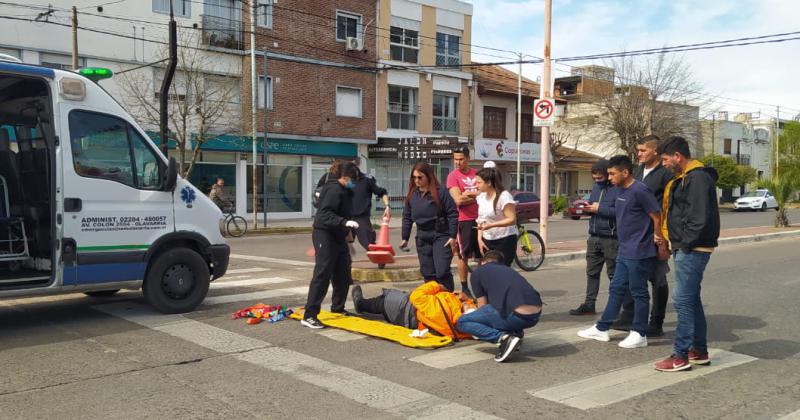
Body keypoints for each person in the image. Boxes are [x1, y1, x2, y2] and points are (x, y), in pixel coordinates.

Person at [578, 155, 663, 349]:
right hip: (624, 248)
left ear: (625, 172)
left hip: (639, 250)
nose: (609, 178)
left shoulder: (640, 190)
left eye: (612, 173)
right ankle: (602, 328)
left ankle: (639, 333)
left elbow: (656, 215)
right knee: (616, 288)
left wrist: (658, 237)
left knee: (639, 292)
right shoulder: (619, 190)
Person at [653, 136, 720, 372]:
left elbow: (699, 218)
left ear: (677, 157)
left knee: (682, 301)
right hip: (689, 246)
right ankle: (698, 351)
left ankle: (679, 356)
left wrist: (684, 244)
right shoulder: (686, 178)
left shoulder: (697, 179)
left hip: (693, 248)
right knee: (691, 300)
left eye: (664, 159)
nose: (663, 164)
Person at [615, 135, 675, 336]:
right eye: (638, 150)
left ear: (655, 151)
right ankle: (629, 317)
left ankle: (656, 322)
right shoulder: (638, 171)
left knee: (658, 278)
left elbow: (667, 207)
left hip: (655, 236)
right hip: (635, 237)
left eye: (642, 150)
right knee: (633, 278)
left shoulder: (666, 174)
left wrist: (663, 237)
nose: (638, 154)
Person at [302, 161, 361, 329]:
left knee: (342, 272)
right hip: (324, 234)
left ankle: (338, 308)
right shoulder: (333, 189)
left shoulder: (346, 190)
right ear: (344, 177)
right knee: (323, 272)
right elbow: (324, 215)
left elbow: (347, 213)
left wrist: (349, 234)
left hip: (338, 235)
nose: (354, 183)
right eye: (352, 179)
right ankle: (310, 315)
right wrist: (344, 222)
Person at [456, 250, 542, 362]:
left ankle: (503, 339)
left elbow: (483, 306)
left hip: (516, 315)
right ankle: (516, 333)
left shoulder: (478, 273)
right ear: (501, 262)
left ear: (482, 262)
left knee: (462, 322)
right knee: (500, 306)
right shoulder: (508, 270)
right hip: (534, 316)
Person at [569, 159, 621, 316]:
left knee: (613, 275)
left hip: (611, 238)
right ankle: (589, 304)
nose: (597, 181)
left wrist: (600, 208)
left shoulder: (618, 189)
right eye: (594, 178)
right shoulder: (596, 188)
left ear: (608, 175)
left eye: (600, 178)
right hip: (594, 236)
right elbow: (593, 206)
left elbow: (620, 211)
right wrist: (588, 209)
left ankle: (616, 307)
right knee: (592, 272)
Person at [400, 162, 459, 292]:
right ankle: (433, 300)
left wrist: (453, 236)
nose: (417, 181)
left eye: (420, 177)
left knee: (442, 271)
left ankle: (448, 296)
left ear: (428, 176)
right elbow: (407, 217)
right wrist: (405, 237)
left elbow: (452, 213)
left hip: (441, 235)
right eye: (414, 177)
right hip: (422, 236)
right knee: (428, 272)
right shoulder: (412, 195)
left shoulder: (440, 192)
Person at [351, 281, 476, 339]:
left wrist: (437, 286)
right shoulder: (464, 326)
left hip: (407, 310)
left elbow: (416, 296)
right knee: (393, 299)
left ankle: (360, 304)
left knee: (384, 300)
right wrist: (467, 300)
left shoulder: (439, 309)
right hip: (415, 313)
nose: (472, 305)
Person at [446, 147, 481, 296]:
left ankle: (482, 284)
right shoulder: (453, 176)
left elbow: (486, 192)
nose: (458, 162)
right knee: (463, 255)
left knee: (482, 255)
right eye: (456, 159)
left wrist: (470, 194)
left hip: (481, 219)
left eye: (461, 159)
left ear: (468, 158)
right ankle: (464, 286)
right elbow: (458, 200)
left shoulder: (477, 174)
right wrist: (477, 195)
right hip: (464, 220)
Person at [345, 158, 391, 252]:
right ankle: (343, 264)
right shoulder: (344, 180)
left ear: (357, 166)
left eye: (353, 166)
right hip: (345, 218)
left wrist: (387, 206)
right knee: (340, 245)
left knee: (369, 245)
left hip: (361, 218)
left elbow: (382, 192)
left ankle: (380, 258)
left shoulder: (368, 179)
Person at [474, 167, 517, 266]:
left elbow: (512, 219)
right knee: (487, 270)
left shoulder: (504, 196)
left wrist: (492, 225)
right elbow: (481, 219)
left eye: (479, 182)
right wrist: (479, 238)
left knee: (502, 271)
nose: (476, 185)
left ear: (488, 182)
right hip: (487, 239)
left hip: (504, 239)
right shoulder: (481, 197)